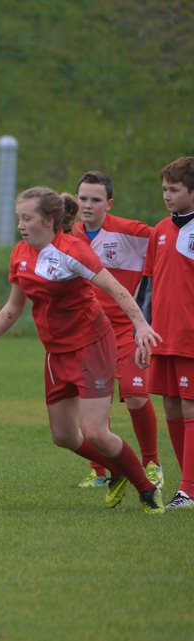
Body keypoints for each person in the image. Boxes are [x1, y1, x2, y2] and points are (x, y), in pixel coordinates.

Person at [0, 186, 164, 513]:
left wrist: (141, 325)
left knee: (95, 432)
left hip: (91, 346)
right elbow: (13, 307)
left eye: (27, 219)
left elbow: (117, 289)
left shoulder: (73, 251)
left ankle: (147, 489)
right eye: (19, 218)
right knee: (64, 436)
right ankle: (118, 469)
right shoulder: (20, 253)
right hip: (56, 352)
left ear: (49, 220)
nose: (21, 225)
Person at [72, 171, 161, 490]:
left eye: (95, 200)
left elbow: (169, 243)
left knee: (136, 397)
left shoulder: (132, 232)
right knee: (95, 401)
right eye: (83, 198)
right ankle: (100, 470)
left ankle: (152, 464)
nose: (88, 205)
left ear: (109, 204)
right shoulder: (68, 233)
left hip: (126, 330)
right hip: (87, 333)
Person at [138, 157, 194, 510]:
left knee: (190, 405)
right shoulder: (159, 230)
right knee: (171, 405)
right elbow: (148, 286)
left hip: (190, 336)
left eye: (174, 190)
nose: (166, 196)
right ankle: (188, 482)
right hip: (163, 336)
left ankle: (189, 488)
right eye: (164, 189)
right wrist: (141, 329)